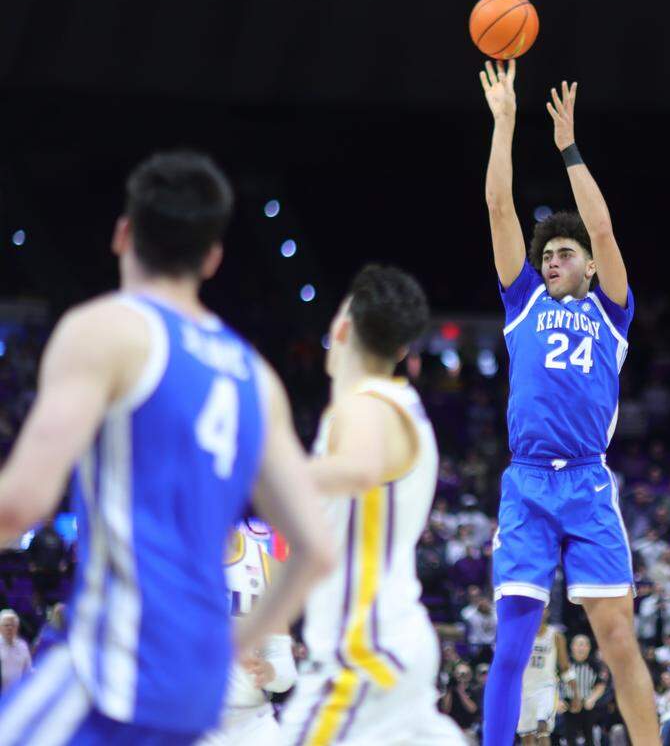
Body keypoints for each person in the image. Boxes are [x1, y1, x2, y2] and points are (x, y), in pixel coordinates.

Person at [0, 151, 333, 745]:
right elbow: (315, 549)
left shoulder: (106, 330)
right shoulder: (255, 376)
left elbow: (18, 504)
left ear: (123, 233)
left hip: (118, 670)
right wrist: (235, 644)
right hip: (197, 694)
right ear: (212, 257)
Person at [478, 58, 658, 745]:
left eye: (563, 252)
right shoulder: (522, 303)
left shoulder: (612, 312)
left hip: (587, 481)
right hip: (526, 482)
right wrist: (505, 123)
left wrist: (568, 150)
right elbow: (499, 206)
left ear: (585, 263)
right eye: (546, 252)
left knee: (618, 640)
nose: (552, 259)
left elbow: (604, 231)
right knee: (514, 642)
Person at [277, 264, 465, 745]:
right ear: (403, 349)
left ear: (341, 328)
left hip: (365, 653)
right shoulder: (400, 407)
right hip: (394, 640)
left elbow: (358, 467)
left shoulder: (366, 404)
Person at [197, 523, 296, 746]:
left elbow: (283, 671)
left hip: (253, 723)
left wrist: (269, 672)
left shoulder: (265, 564)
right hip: (190, 721)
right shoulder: (172, 559)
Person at [519, 611, 570, 746]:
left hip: (546, 688)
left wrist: (575, 693)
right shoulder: (521, 634)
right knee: (527, 736)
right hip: (524, 689)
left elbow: (565, 666)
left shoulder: (555, 635)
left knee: (543, 725)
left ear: (547, 611)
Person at [563, 635, 608, 745]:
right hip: (567, 704)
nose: (581, 648)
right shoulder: (564, 663)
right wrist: (557, 701)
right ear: (572, 647)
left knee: (590, 736)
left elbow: (601, 685)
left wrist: (592, 699)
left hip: (587, 704)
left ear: (589, 648)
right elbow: (553, 683)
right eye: (579, 645)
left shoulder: (595, 664)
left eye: (585, 645)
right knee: (568, 736)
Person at [0, 610, 32, 695]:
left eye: (12, 625)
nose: (9, 628)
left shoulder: (22, 646)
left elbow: (28, 670)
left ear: (17, 628)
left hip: (21, 695)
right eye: (6, 625)